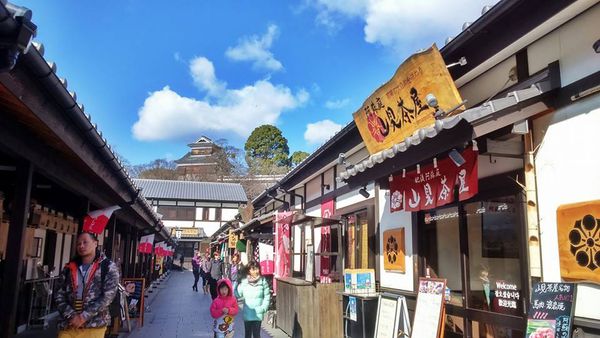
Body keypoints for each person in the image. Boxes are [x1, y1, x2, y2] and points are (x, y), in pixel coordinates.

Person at [55, 232, 119, 338]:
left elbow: (108, 296)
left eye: (85, 242)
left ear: (95, 243)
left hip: (94, 325)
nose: (81, 246)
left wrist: (84, 317)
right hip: (68, 324)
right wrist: (71, 315)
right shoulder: (69, 267)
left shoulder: (108, 267)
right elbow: (59, 294)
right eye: (79, 243)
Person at [235, 261, 271, 338]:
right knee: (247, 335)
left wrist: (263, 308)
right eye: (253, 269)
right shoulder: (244, 281)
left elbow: (267, 296)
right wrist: (236, 285)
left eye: (257, 269)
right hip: (248, 312)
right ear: (249, 270)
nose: (255, 271)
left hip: (258, 312)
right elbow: (238, 294)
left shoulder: (262, 281)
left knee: (256, 334)